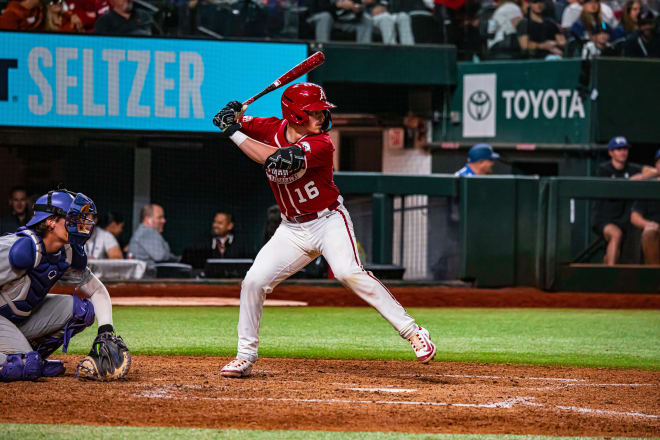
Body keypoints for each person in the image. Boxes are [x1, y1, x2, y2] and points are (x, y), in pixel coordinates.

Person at [212, 82, 436, 378]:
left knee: (347, 272)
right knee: (254, 280)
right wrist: (233, 115)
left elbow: (274, 158)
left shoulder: (322, 143)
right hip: (291, 229)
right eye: (314, 112)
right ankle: (245, 356)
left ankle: (413, 331)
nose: (321, 117)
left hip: (328, 221)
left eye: (321, 111)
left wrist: (232, 131)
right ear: (294, 115)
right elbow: (239, 122)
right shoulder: (270, 127)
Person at [0, 189, 130, 382]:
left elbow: (96, 290)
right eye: (73, 218)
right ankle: (21, 358)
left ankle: (28, 356)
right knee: (22, 366)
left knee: (81, 311)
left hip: (17, 319)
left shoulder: (65, 253)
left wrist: (106, 329)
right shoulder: (19, 249)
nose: (81, 223)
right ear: (51, 221)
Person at [592, 136, 658, 265]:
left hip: (625, 219)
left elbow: (655, 171)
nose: (623, 152)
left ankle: (607, 265)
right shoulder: (603, 169)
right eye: (618, 149)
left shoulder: (632, 168)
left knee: (624, 249)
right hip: (604, 219)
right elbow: (611, 188)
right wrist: (630, 181)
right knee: (616, 235)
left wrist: (640, 177)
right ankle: (610, 276)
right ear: (611, 152)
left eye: (625, 149)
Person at [128, 204, 179, 273]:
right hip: (146, 278)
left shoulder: (145, 231)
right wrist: (176, 259)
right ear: (148, 220)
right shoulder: (147, 231)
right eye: (159, 217)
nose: (164, 221)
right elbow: (160, 256)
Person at [630, 148, 660, 265]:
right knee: (649, 232)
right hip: (656, 229)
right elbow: (634, 216)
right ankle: (655, 278)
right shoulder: (649, 186)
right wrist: (649, 224)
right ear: (656, 165)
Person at [306, 0, 374, 43]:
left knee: (366, 19)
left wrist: (357, 9)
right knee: (325, 17)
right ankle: (322, 53)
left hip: (342, 22)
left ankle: (364, 52)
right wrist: (337, 5)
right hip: (318, 19)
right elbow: (315, 9)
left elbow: (359, 7)